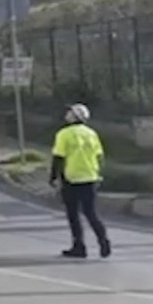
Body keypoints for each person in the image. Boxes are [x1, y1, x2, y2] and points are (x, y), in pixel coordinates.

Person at [50, 103, 111, 259]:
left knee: (73, 214)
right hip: (90, 177)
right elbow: (100, 156)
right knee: (91, 213)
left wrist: (53, 177)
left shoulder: (64, 134)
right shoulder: (91, 134)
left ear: (75, 116)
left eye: (70, 112)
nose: (67, 114)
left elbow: (58, 157)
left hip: (71, 178)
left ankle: (79, 246)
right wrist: (99, 174)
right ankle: (103, 240)